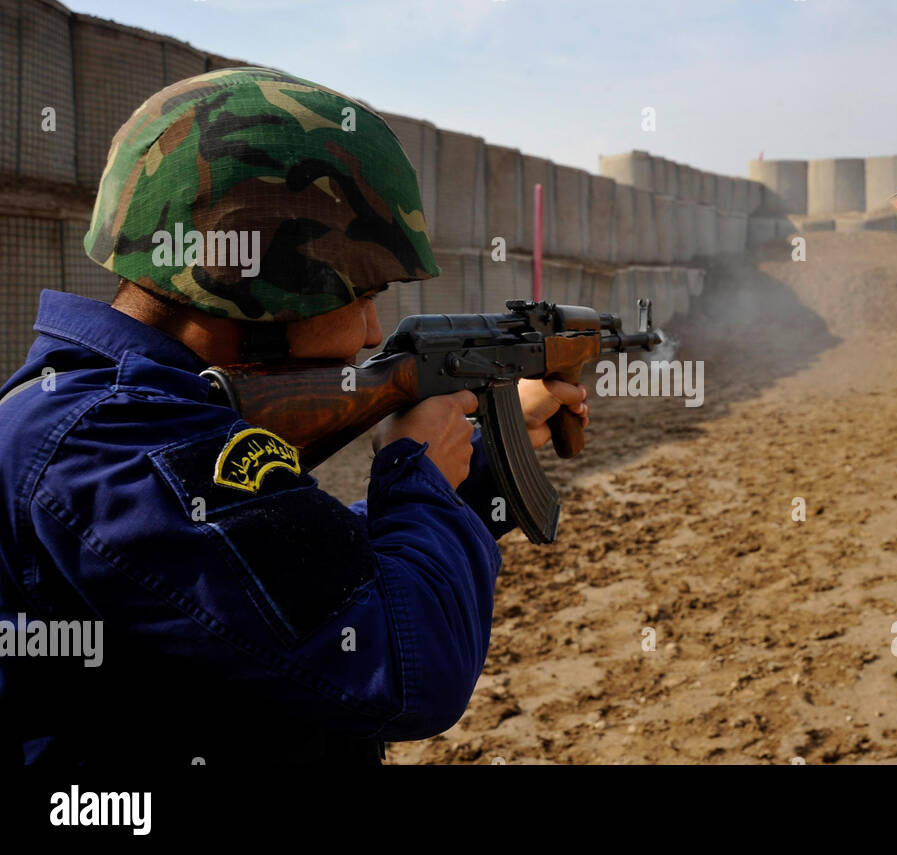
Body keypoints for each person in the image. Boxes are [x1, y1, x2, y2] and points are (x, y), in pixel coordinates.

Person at [0, 67, 588, 765]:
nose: (374, 331)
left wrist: (482, 463)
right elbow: (408, 668)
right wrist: (418, 475)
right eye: (361, 294)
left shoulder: (130, 415)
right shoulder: (111, 447)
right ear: (265, 286)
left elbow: (281, 576)